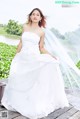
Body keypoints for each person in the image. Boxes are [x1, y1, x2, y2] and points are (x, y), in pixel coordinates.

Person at [1, 8, 69, 119]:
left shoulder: (42, 31)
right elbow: (21, 42)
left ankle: (31, 103)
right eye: (33, 14)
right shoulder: (25, 27)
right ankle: (17, 101)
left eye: (37, 15)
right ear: (30, 16)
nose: (35, 16)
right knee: (18, 78)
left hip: (33, 57)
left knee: (33, 80)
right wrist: (16, 55)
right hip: (22, 57)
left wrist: (51, 56)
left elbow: (41, 47)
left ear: (40, 18)